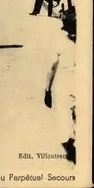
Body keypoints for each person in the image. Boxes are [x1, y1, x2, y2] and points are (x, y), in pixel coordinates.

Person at [44, 19, 76, 164]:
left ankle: (71, 140)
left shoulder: (60, 43)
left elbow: (52, 68)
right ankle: (74, 138)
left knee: (66, 114)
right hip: (78, 86)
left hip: (68, 86)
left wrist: (47, 89)